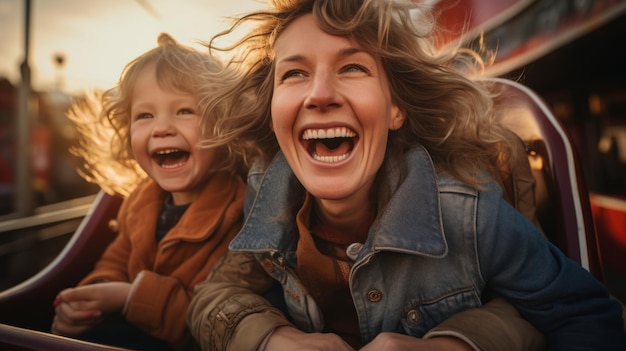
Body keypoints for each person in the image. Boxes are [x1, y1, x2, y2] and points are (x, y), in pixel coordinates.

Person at [187, 1, 626, 351]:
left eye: (353, 67)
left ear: (395, 108)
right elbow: (214, 294)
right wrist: (275, 339)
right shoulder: (268, 188)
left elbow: (585, 315)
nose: (319, 94)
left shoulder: (468, 208)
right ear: (273, 109)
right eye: (295, 73)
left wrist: (452, 343)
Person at [51, 33, 247, 351]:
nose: (161, 128)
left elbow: (218, 316)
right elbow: (115, 261)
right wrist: (92, 297)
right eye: (145, 115)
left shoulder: (239, 211)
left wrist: (130, 296)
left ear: (223, 126)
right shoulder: (140, 201)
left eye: (184, 111)